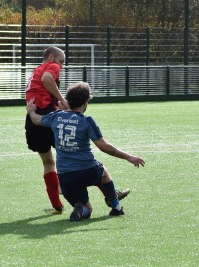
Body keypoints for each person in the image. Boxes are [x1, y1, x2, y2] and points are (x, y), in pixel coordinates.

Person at [26, 82, 145, 221]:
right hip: (88, 171)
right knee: (103, 172)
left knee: (88, 209)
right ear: (86, 102)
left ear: (68, 100)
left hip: (65, 177)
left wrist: (31, 111)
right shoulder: (86, 121)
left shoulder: (56, 117)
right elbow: (103, 146)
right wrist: (128, 157)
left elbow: (37, 120)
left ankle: (80, 209)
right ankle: (116, 208)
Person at [25, 46, 68, 214]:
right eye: (61, 62)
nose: (61, 67)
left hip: (32, 119)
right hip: (49, 118)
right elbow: (47, 79)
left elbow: (39, 93)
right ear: (51, 57)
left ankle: (57, 204)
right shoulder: (51, 67)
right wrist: (62, 100)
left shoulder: (35, 71)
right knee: (75, 154)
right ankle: (109, 193)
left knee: (48, 161)